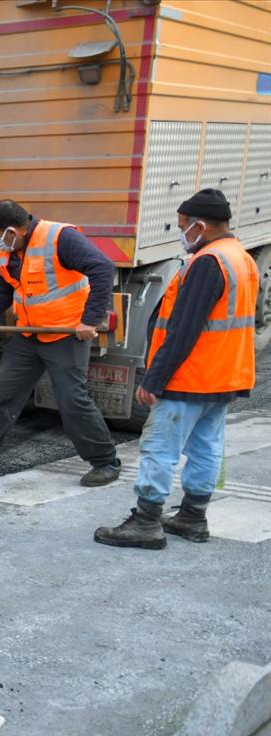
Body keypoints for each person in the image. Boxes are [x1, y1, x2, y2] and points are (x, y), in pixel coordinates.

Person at [95, 189, 257, 549]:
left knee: (160, 447)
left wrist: (154, 379)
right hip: (223, 375)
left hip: (192, 376)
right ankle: (193, 517)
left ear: (200, 226)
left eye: (183, 226)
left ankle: (147, 522)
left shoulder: (208, 262)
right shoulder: (241, 258)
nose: (181, 233)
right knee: (206, 447)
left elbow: (184, 329)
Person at [0, 200, 121, 486]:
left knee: (72, 400)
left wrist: (90, 319)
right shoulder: (5, 255)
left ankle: (105, 463)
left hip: (65, 335)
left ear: (12, 231)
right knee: (4, 392)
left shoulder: (60, 238)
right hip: (28, 335)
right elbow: (0, 296)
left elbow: (102, 268)